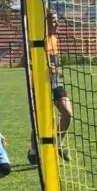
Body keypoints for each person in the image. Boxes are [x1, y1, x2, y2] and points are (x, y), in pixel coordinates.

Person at [28, 9, 73, 164]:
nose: (57, 23)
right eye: (53, 21)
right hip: (40, 84)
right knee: (41, 121)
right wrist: (42, 67)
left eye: (57, 20)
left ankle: (58, 142)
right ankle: (33, 150)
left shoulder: (54, 38)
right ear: (45, 23)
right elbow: (24, 61)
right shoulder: (37, 40)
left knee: (67, 112)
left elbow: (55, 60)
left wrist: (58, 69)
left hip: (55, 82)